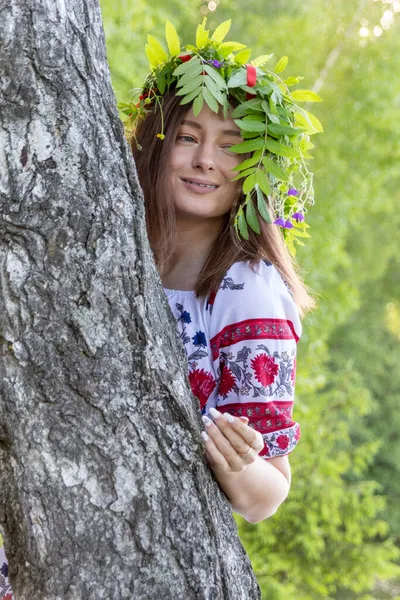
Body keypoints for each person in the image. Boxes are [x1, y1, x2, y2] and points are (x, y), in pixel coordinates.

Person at [127, 17, 320, 524]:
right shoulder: (112, 243)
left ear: (255, 168)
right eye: (188, 137)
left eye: (232, 145)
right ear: (156, 142)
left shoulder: (245, 288)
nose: (206, 160)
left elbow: (267, 494)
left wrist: (236, 463)